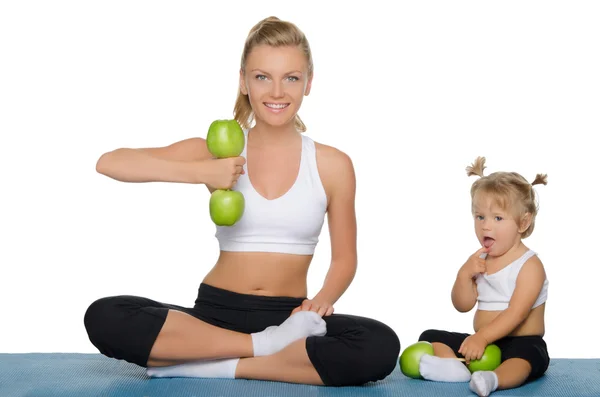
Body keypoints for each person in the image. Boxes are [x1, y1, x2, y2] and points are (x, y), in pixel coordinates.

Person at [84, 16, 400, 387]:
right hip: (213, 314)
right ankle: (261, 348)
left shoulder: (333, 165)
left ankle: (216, 362)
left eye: (291, 78)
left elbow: (345, 259)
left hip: (292, 317)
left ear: (308, 83)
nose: (277, 91)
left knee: (379, 345)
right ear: (243, 81)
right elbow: (111, 162)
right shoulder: (221, 151)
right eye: (262, 76)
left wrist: (320, 303)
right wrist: (202, 172)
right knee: (105, 316)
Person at [416, 156, 550, 396]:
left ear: (523, 222)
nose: (486, 226)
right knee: (430, 336)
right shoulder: (480, 262)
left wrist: (482, 338)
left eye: (497, 218)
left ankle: (493, 379)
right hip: (484, 343)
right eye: (480, 217)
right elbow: (463, 305)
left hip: (521, 341)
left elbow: (517, 313)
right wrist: (464, 275)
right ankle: (454, 369)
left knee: (528, 358)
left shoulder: (530, 265)